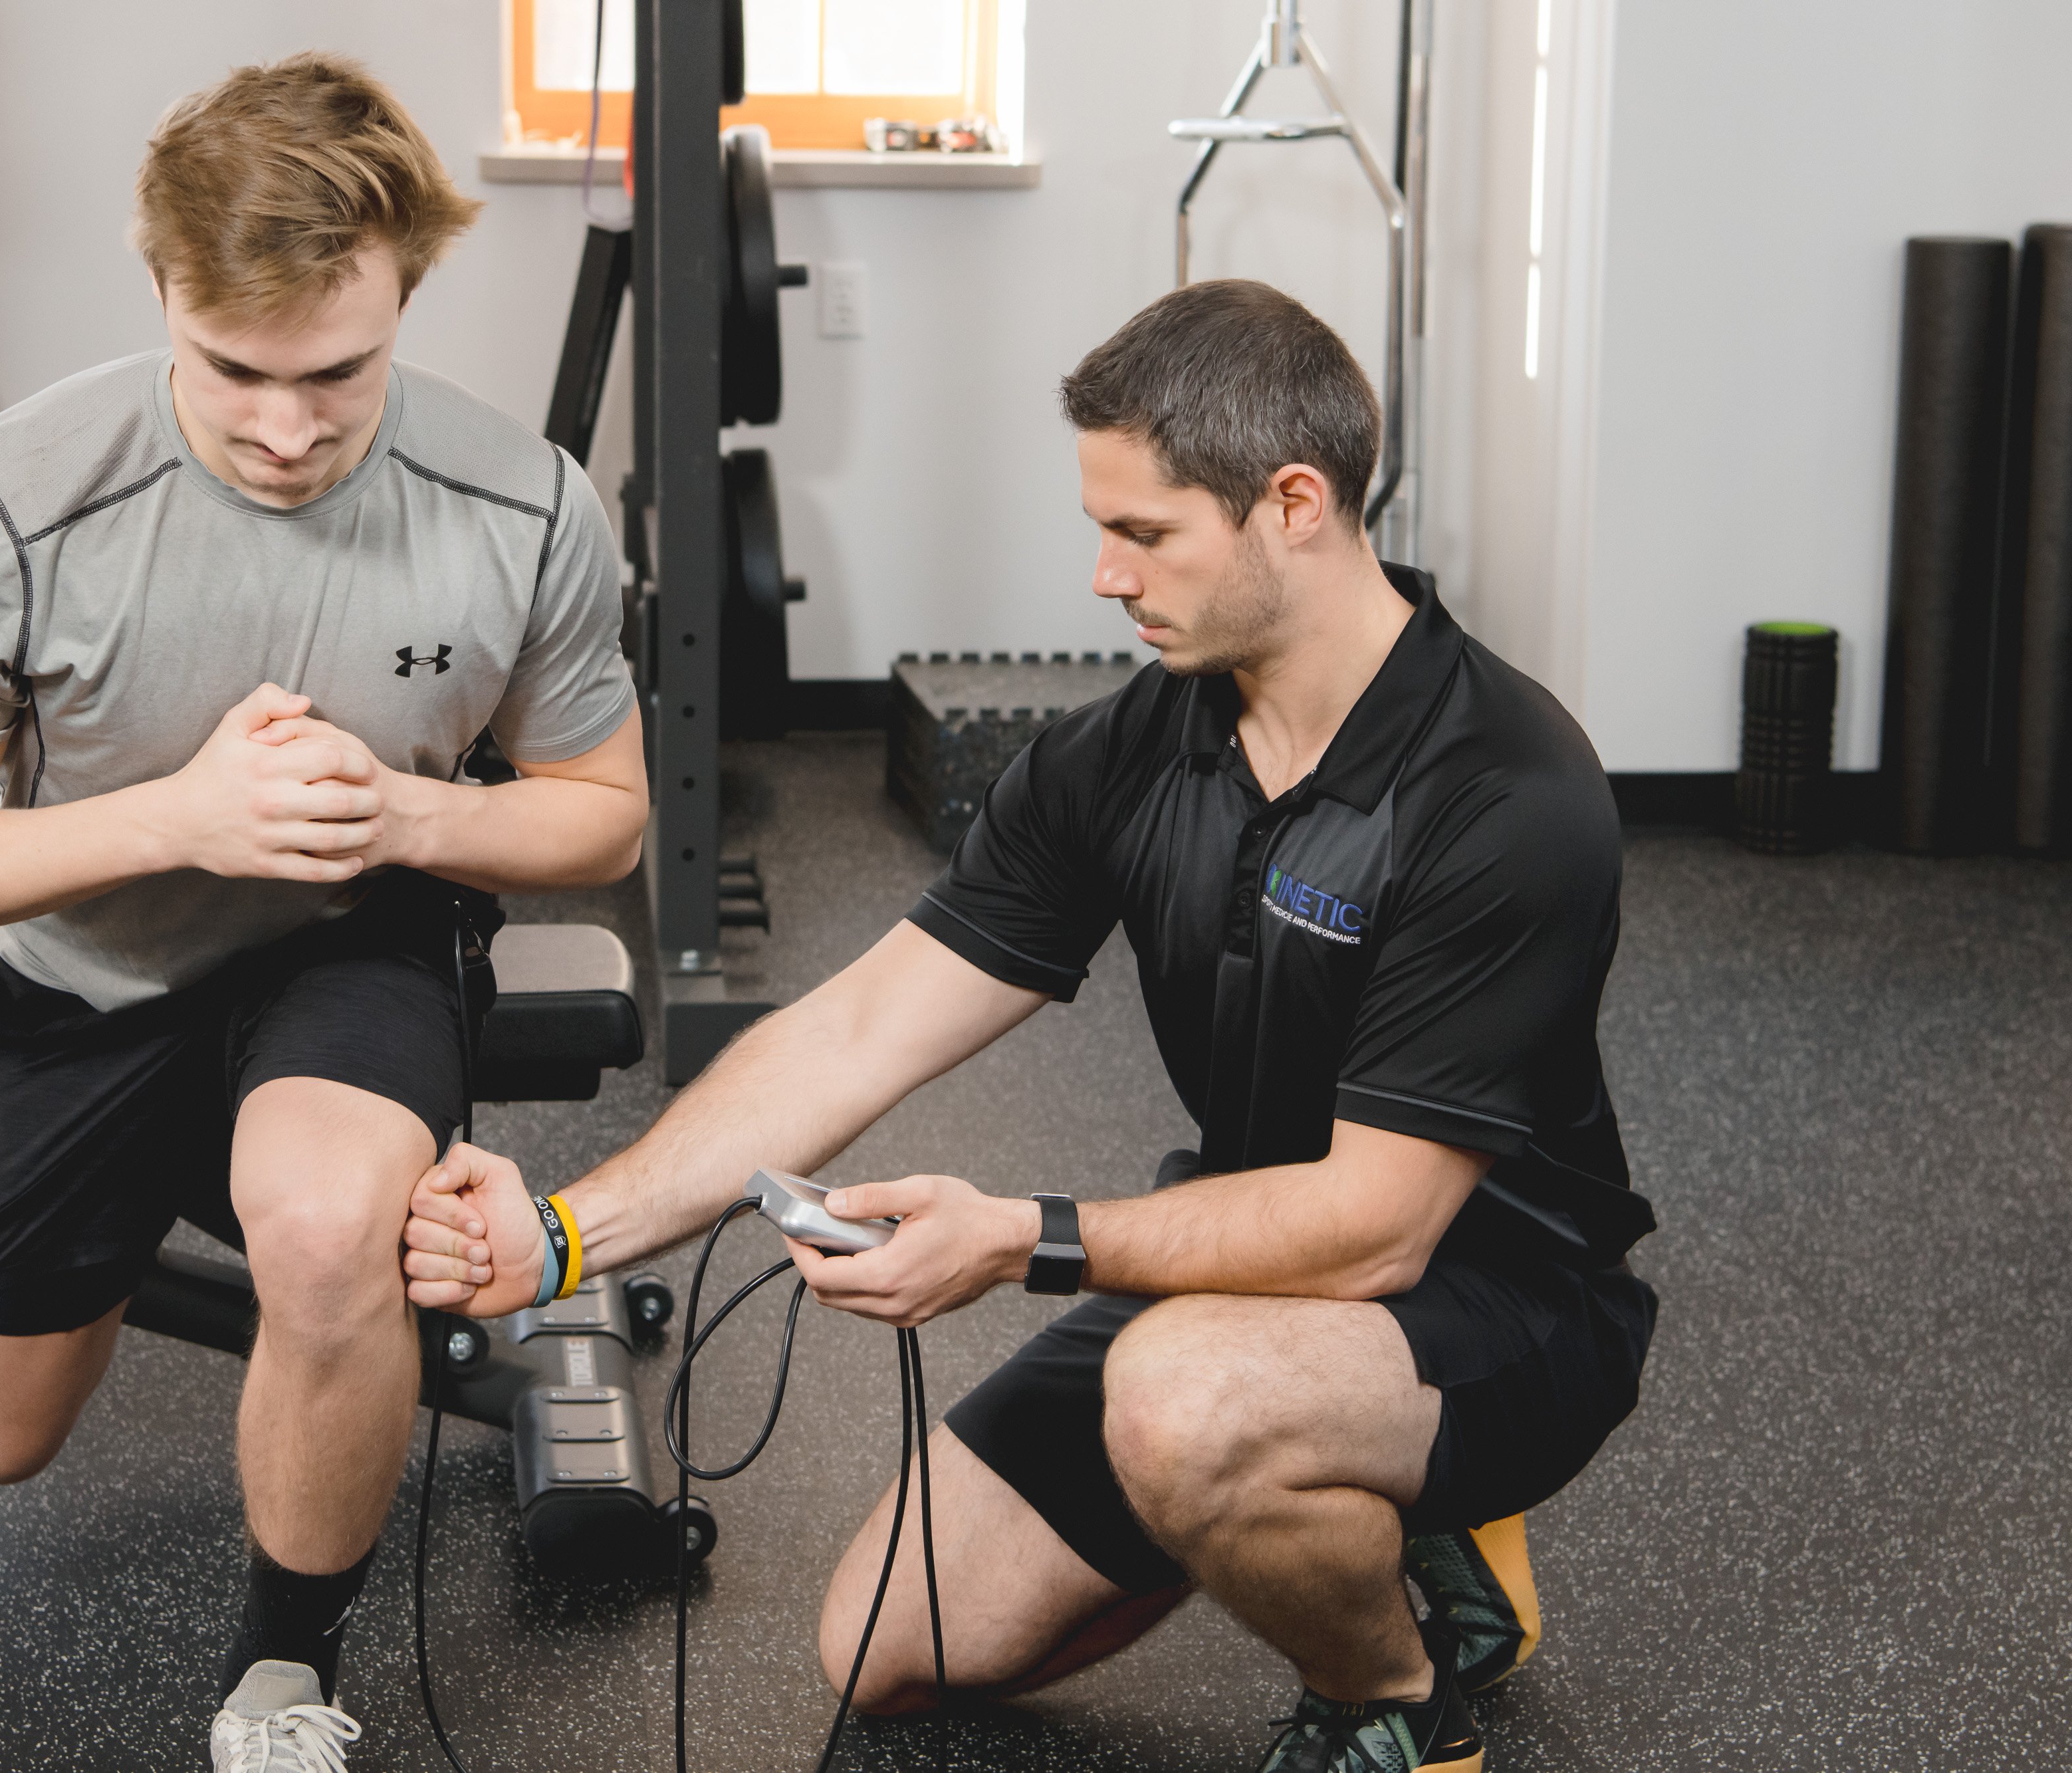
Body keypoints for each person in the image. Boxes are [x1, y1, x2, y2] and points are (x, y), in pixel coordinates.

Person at [405, 280, 1659, 1773]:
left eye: (1144, 533)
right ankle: (1336, 1500)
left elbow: (1378, 1229)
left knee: (1181, 1407)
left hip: (1501, 1307)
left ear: (1294, 504)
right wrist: (561, 1236)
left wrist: (1018, 1236)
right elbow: (861, 1023)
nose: (1102, 576)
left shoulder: (1503, 793)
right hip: (1245, 1270)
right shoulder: (1132, 745)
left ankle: (1394, 1690)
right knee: (881, 1643)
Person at [0, 53, 646, 1772]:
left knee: (330, 1224)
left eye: (337, 371)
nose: (284, 426)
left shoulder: (520, 506)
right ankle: (2, 1140)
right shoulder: (7, 506)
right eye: (233, 370)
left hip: (359, 943)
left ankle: (283, 1672)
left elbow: (607, 815)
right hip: (91, 961)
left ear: (407, 287)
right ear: (161, 290)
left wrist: (413, 810)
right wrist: (183, 813)